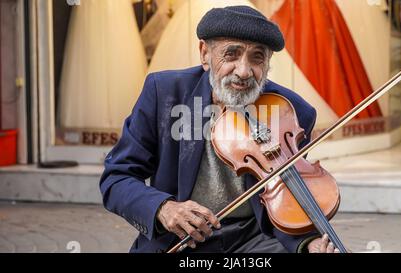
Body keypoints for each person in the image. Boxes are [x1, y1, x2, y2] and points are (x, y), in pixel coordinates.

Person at [99, 5, 339, 253]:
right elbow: (117, 177)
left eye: (257, 57)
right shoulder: (164, 93)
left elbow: (286, 202)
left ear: (267, 64)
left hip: (256, 241)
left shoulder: (292, 112)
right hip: (183, 239)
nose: (244, 71)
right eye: (231, 54)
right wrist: (163, 208)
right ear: (205, 53)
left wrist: (308, 243)